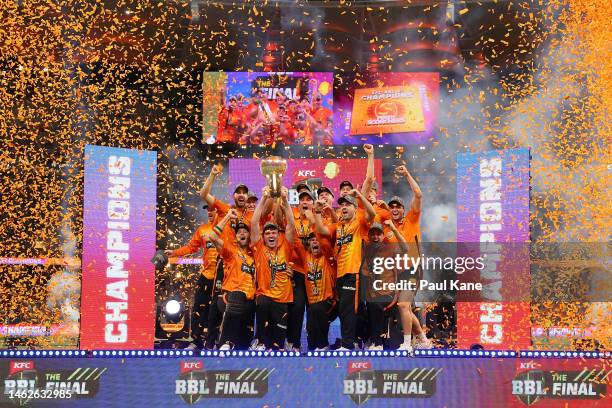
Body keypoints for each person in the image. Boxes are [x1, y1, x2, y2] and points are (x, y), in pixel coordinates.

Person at [314, 190, 376, 350]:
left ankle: (349, 344)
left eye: (348, 204)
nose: (344, 207)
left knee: (349, 309)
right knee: (344, 309)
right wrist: (318, 211)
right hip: (340, 274)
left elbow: (372, 212)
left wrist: (360, 196)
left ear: (355, 208)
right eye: (341, 205)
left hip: (354, 272)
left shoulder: (360, 223)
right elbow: (321, 230)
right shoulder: (338, 226)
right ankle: (355, 341)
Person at [387, 164, 432, 351]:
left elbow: (419, 195)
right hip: (399, 273)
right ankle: (422, 338)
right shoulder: (386, 230)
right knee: (404, 307)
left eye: (398, 206)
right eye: (392, 207)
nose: (395, 209)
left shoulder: (411, 219)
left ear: (404, 210)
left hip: (414, 268)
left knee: (403, 304)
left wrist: (407, 174)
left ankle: (407, 344)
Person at [164, 206, 218, 349]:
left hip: (224, 277)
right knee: (198, 308)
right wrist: (174, 252)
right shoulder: (203, 229)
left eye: (214, 210)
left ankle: (214, 341)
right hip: (206, 275)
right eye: (208, 210)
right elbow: (190, 248)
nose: (210, 212)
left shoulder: (228, 229)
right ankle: (196, 341)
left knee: (216, 310)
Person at [250, 186, 297, 350]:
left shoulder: (285, 247)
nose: (271, 235)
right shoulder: (259, 249)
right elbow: (254, 223)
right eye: (267, 233)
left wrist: (285, 201)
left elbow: (291, 225)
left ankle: (275, 344)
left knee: (278, 345)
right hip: (265, 296)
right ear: (263, 237)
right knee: (262, 303)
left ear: (278, 235)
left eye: (274, 232)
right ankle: (260, 342)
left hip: (283, 299)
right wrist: (263, 198)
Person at [208, 209, 256, 350]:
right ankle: (225, 343)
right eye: (239, 232)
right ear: (235, 237)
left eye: (245, 231)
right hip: (229, 297)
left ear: (249, 236)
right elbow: (212, 236)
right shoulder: (230, 251)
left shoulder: (255, 256)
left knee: (242, 346)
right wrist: (228, 216)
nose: (242, 233)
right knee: (238, 295)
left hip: (249, 301)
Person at [293, 231, 337, 351]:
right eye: (312, 240)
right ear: (308, 244)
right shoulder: (305, 256)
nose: (315, 242)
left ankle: (323, 344)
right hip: (314, 304)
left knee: (316, 309)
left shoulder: (327, 256)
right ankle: (313, 347)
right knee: (312, 314)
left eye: (317, 240)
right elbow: (294, 239)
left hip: (329, 301)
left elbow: (329, 240)